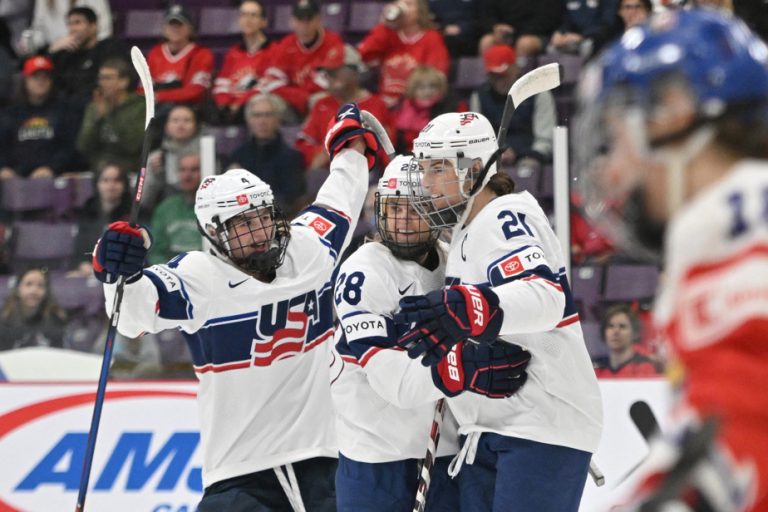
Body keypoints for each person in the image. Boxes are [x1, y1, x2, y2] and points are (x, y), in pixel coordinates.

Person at [90, 103, 386, 511]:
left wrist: (351, 148)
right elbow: (132, 313)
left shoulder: (310, 247)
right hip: (238, 471)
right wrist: (117, 272)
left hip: (323, 457)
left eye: (263, 219)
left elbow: (343, 194)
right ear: (214, 234)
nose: (261, 234)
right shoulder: (199, 277)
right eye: (243, 226)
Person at [575, 9, 768, 510]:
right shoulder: (725, 233)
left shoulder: (736, 236)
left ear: (675, 113)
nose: (613, 169)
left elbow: (744, 461)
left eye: (617, 138)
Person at [394, 111, 603, 511]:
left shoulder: (504, 216)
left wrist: (472, 306)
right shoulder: (464, 231)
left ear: (474, 170)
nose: (426, 182)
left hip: (542, 423)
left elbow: (546, 296)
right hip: (492, 428)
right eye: (423, 170)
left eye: (438, 168)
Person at [331, 155, 531, 511]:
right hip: (375, 458)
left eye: (416, 209)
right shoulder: (363, 272)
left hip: (444, 453)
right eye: (394, 209)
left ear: (436, 213)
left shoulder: (455, 262)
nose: (403, 221)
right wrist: (464, 368)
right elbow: (393, 382)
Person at [296, 45, 392, 171]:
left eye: (334, 72)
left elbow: (386, 151)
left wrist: (337, 151)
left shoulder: (376, 105)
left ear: (354, 73)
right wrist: (321, 155)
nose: (328, 77)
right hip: (325, 173)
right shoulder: (322, 104)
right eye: (327, 73)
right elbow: (304, 143)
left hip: (364, 174)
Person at [469, 45, 556, 168]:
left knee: (527, 167)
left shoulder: (538, 93)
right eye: (494, 76)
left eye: (503, 75)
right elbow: (477, 139)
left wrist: (522, 154)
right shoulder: (479, 96)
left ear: (515, 69)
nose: (499, 81)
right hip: (492, 158)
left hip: (529, 156)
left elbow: (545, 139)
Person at [258, 0, 345, 118]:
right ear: (292, 21)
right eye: (299, 19)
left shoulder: (332, 42)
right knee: (264, 103)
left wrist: (301, 96)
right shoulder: (286, 44)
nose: (304, 23)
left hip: (320, 96)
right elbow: (271, 82)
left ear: (318, 20)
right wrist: (301, 97)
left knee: (320, 100)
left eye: (309, 18)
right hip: (295, 100)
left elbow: (327, 82)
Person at [357, 0, 450, 108]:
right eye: (399, 4)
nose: (403, 8)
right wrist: (385, 25)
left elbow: (434, 76)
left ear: (420, 10)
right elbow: (365, 54)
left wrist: (403, 102)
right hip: (384, 101)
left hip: (414, 105)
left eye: (409, 4)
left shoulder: (431, 38)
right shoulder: (388, 34)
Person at [0, 55, 80, 179]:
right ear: (25, 81)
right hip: (17, 179)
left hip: (52, 178)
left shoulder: (64, 111)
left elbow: (69, 147)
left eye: (45, 77)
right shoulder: (11, 113)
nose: (40, 81)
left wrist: (52, 168)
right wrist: (4, 168)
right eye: (35, 77)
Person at [228, 93, 306, 216]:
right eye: (257, 115)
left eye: (268, 115)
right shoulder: (237, 156)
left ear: (278, 120)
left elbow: (289, 199)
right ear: (249, 120)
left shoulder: (291, 157)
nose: (262, 121)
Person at [49, 6, 126, 108]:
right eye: (70, 24)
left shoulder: (108, 49)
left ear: (93, 26)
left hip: (98, 109)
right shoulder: (66, 55)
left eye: (78, 23)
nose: (72, 29)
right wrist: (52, 51)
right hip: (66, 112)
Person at [77, 58, 145, 172]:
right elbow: (83, 147)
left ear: (124, 82)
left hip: (130, 169)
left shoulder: (140, 107)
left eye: (108, 78)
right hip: (99, 170)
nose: (101, 83)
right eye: (100, 78)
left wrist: (109, 115)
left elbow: (133, 146)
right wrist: (98, 119)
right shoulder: (94, 107)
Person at [212, 0, 275, 125]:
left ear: (263, 22)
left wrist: (240, 104)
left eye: (253, 15)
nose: (248, 20)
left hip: (254, 106)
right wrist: (224, 103)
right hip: (231, 107)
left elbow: (267, 83)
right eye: (244, 15)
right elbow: (222, 82)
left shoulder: (274, 50)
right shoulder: (233, 52)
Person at [146, 5, 214, 111]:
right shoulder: (154, 53)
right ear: (164, 29)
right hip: (156, 108)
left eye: (180, 24)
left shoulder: (201, 54)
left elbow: (195, 92)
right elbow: (143, 89)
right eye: (171, 24)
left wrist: (159, 96)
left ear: (190, 29)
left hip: (188, 108)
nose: (175, 28)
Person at [72, 162, 132, 275]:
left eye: (117, 180)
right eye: (105, 180)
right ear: (97, 184)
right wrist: (83, 265)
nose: (111, 185)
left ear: (125, 184)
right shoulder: (87, 210)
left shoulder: (135, 212)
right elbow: (80, 250)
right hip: (90, 272)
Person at [143, 104, 202, 217]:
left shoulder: (207, 152)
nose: (180, 125)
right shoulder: (156, 158)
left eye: (187, 120)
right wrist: (157, 175)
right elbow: (145, 200)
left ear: (196, 126)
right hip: (169, 213)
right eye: (175, 120)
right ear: (166, 126)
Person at [393, 65, 466, 154]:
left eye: (432, 87)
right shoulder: (401, 109)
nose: (427, 92)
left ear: (440, 88)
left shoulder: (452, 109)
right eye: (421, 87)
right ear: (412, 90)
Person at [148, 151, 202, 265]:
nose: (187, 175)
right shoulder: (165, 208)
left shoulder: (214, 208)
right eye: (183, 170)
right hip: (172, 274)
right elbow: (156, 252)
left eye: (194, 170)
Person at [0, 267, 67, 351]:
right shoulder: (3, 319)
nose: (34, 290)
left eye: (40, 285)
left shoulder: (56, 319)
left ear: (46, 292)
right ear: (17, 289)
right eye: (28, 284)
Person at [593, 304, 661, 378]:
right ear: (604, 332)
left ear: (634, 332)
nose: (616, 331)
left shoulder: (644, 367)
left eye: (622, 326)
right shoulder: (598, 370)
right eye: (610, 326)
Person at [477, 0, 562, 59]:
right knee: (487, 41)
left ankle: (519, 80)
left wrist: (515, 33)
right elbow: (487, 13)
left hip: (537, 34)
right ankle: (487, 82)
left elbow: (547, 19)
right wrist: (496, 27)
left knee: (524, 43)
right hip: (506, 33)